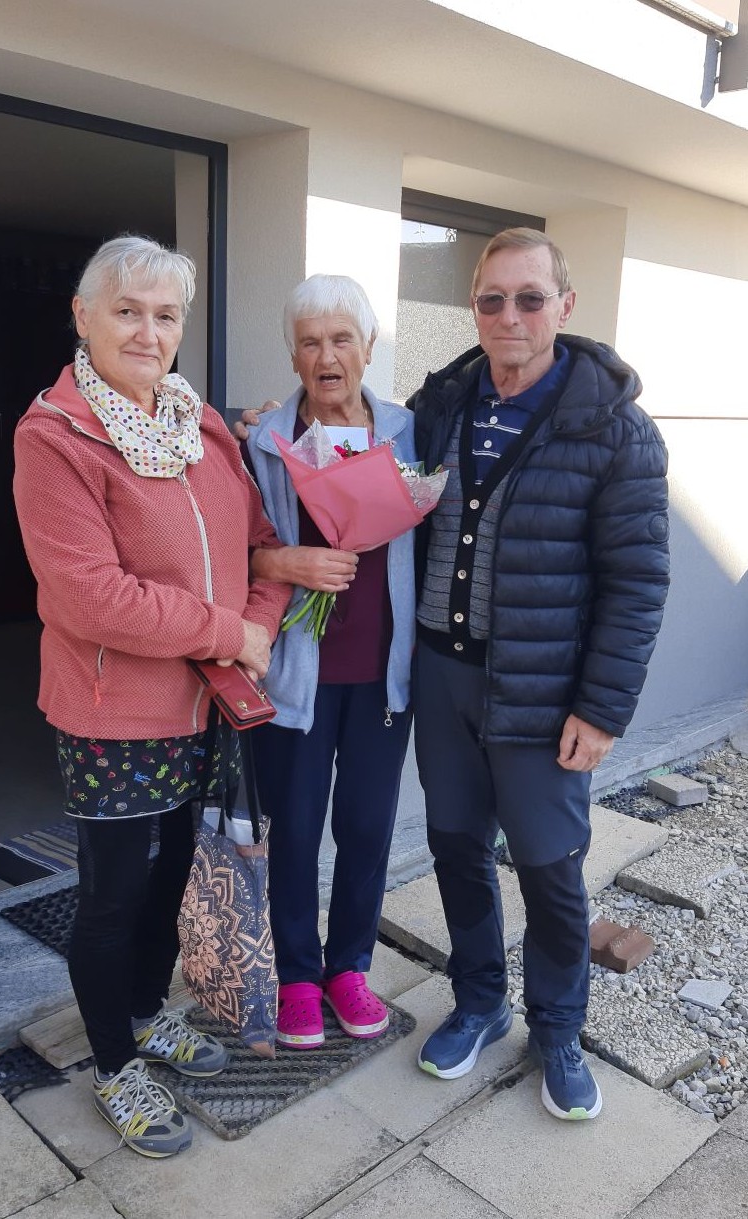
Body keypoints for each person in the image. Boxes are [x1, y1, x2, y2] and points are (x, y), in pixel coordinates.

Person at [13, 234, 290, 1158]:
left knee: (174, 874)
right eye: (126, 310)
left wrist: (256, 628)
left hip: (207, 703)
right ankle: (112, 1063)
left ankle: (144, 1010)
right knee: (112, 896)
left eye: (165, 314)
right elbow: (89, 596)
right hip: (115, 713)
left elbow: (259, 547)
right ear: (82, 316)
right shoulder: (54, 435)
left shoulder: (199, 424)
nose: (147, 331)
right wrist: (229, 634)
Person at [409, 227, 670, 1120]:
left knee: (549, 868)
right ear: (473, 307)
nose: (509, 315)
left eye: (529, 298)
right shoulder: (439, 406)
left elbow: (637, 582)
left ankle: (556, 1026)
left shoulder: (613, 427)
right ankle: (478, 1000)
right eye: (492, 299)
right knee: (454, 850)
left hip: (544, 693)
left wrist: (601, 709)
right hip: (442, 675)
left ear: (564, 305)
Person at [244, 275, 415, 1049]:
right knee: (295, 828)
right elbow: (232, 545)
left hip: (383, 674)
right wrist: (284, 561)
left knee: (367, 827)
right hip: (296, 673)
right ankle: (295, 975)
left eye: (341, 338)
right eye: (309, 342)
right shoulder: (262, 441)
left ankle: (348, 965)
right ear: (292, 355)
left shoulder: (408, 434)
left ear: (367, 347)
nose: (326, 356)